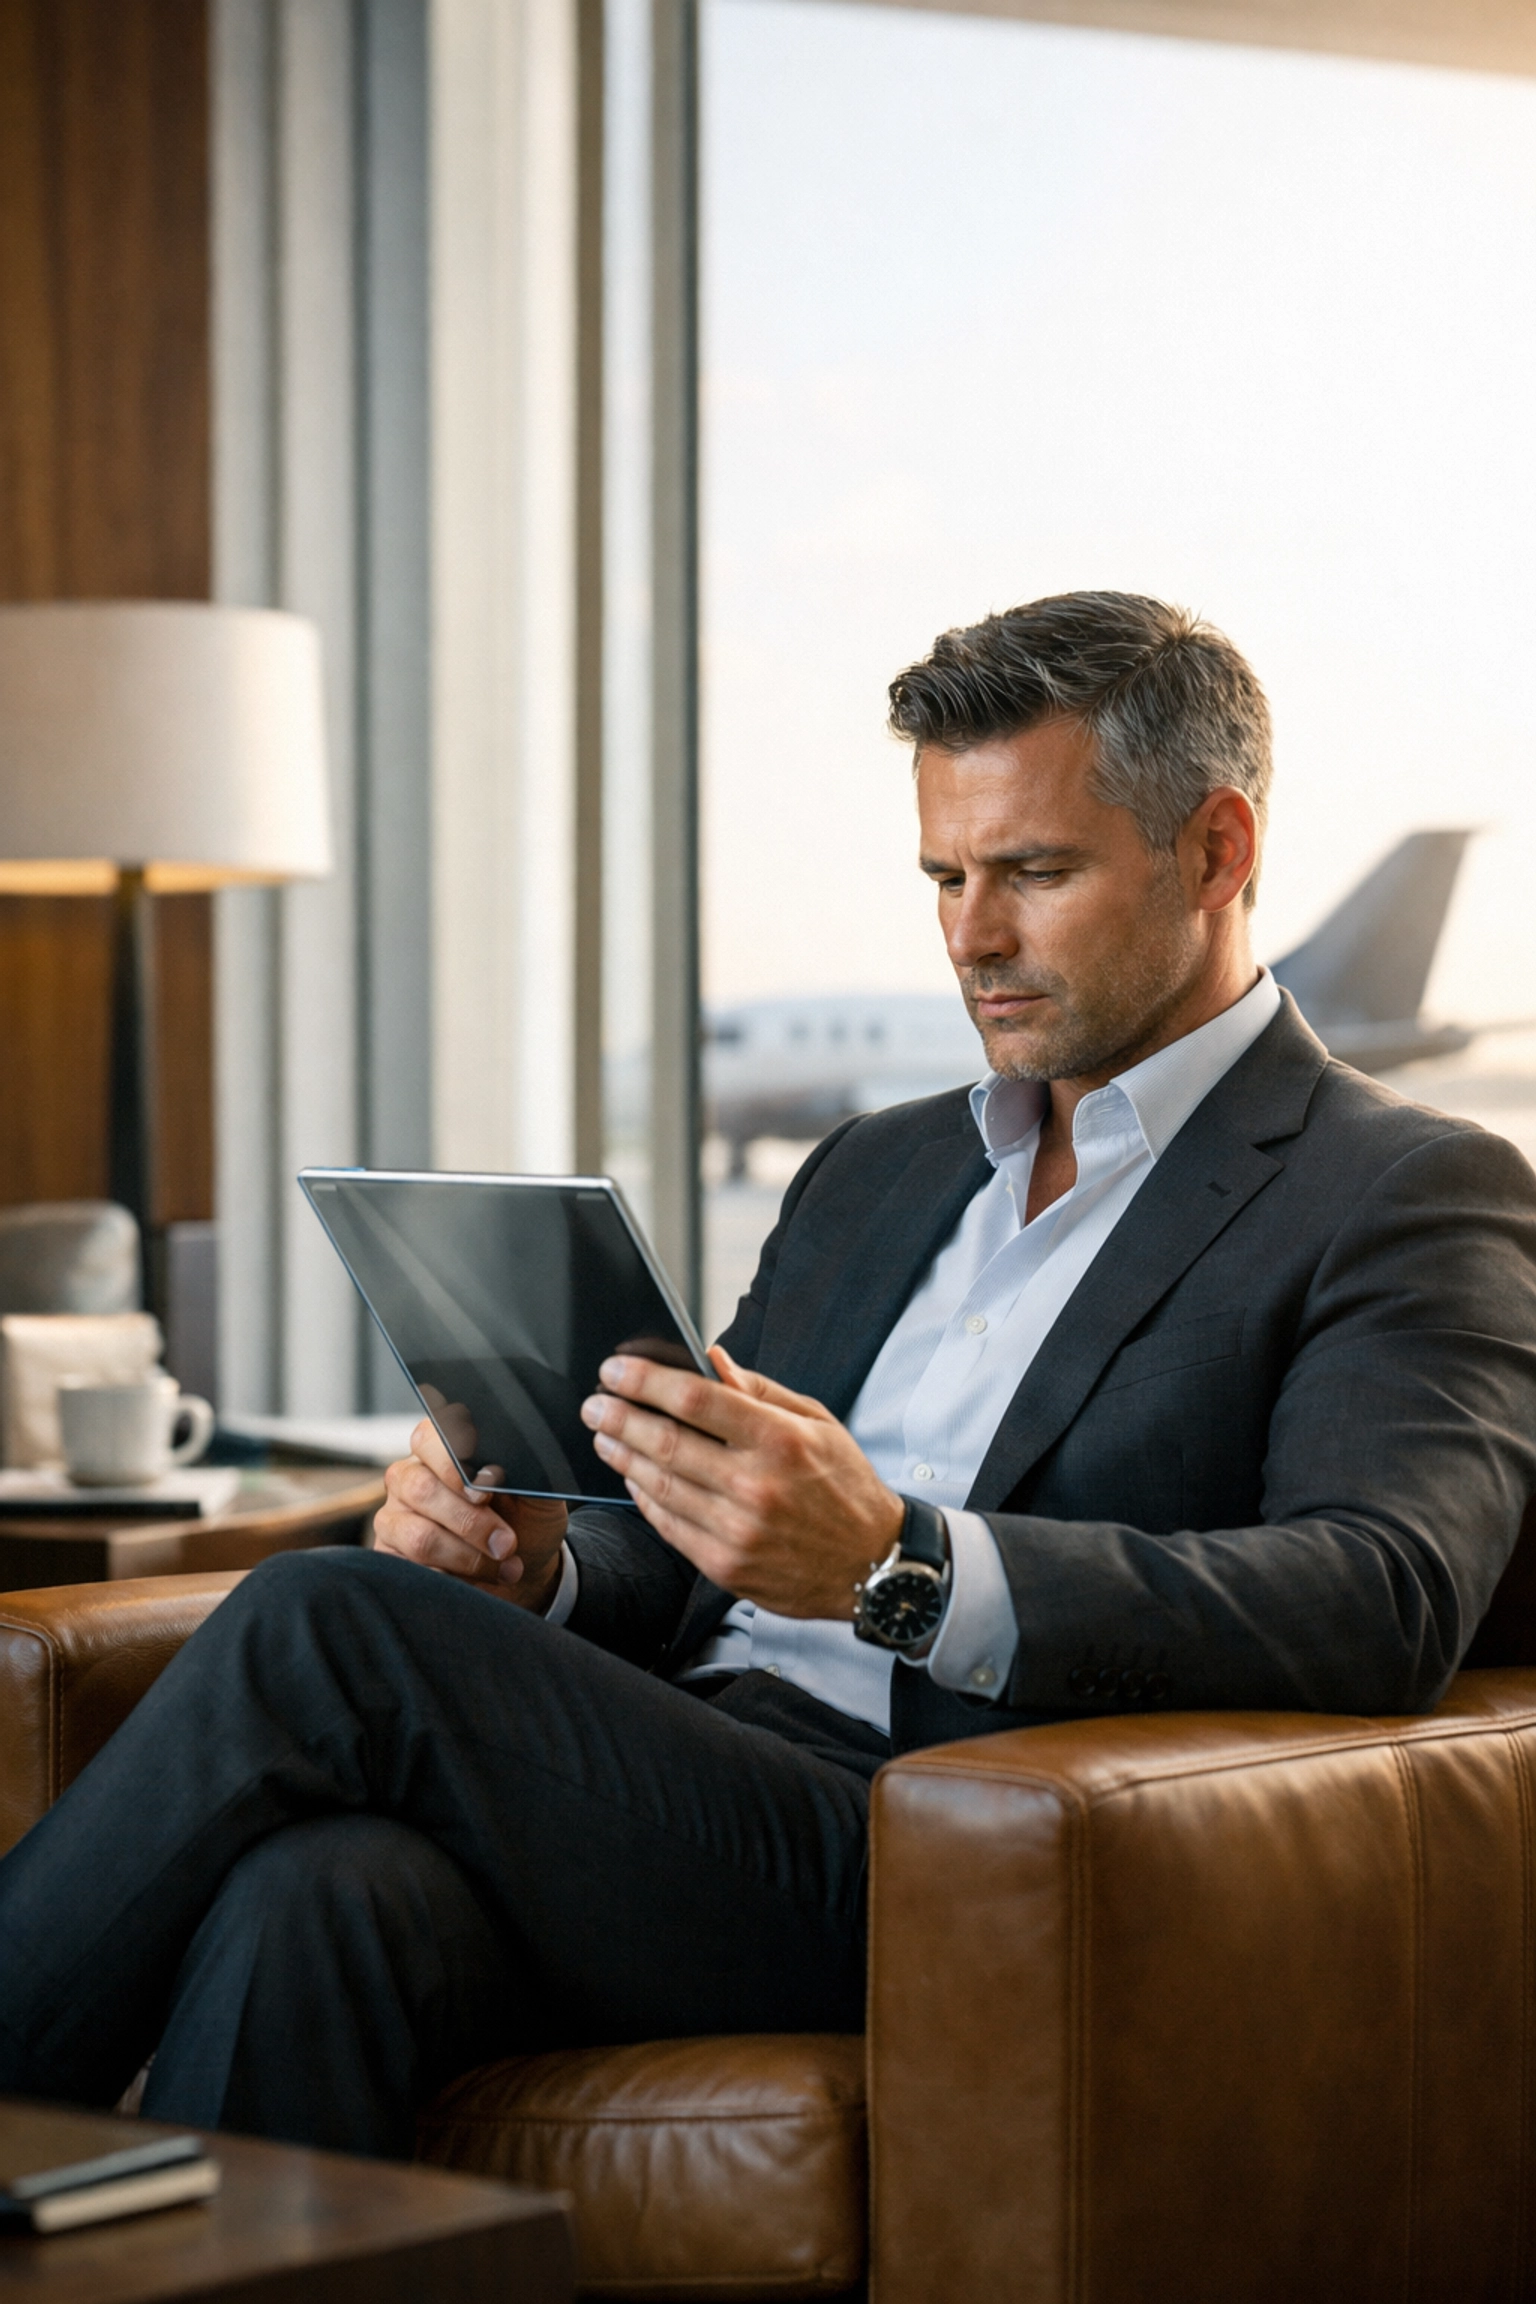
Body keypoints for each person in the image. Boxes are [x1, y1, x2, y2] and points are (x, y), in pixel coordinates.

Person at [2, 591, 1534, 2159]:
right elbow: (685, 1558)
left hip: (946, 1846)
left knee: (324, 1621)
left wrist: (901, 1568)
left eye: (1034, 873)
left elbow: (1387, 1589)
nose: (971, 936)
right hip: (684, 1781)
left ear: (1218, 852)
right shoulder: (875, 1170)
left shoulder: (1405, 1189)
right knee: (310, 1899)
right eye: (945, 875)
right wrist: (542, 1572)